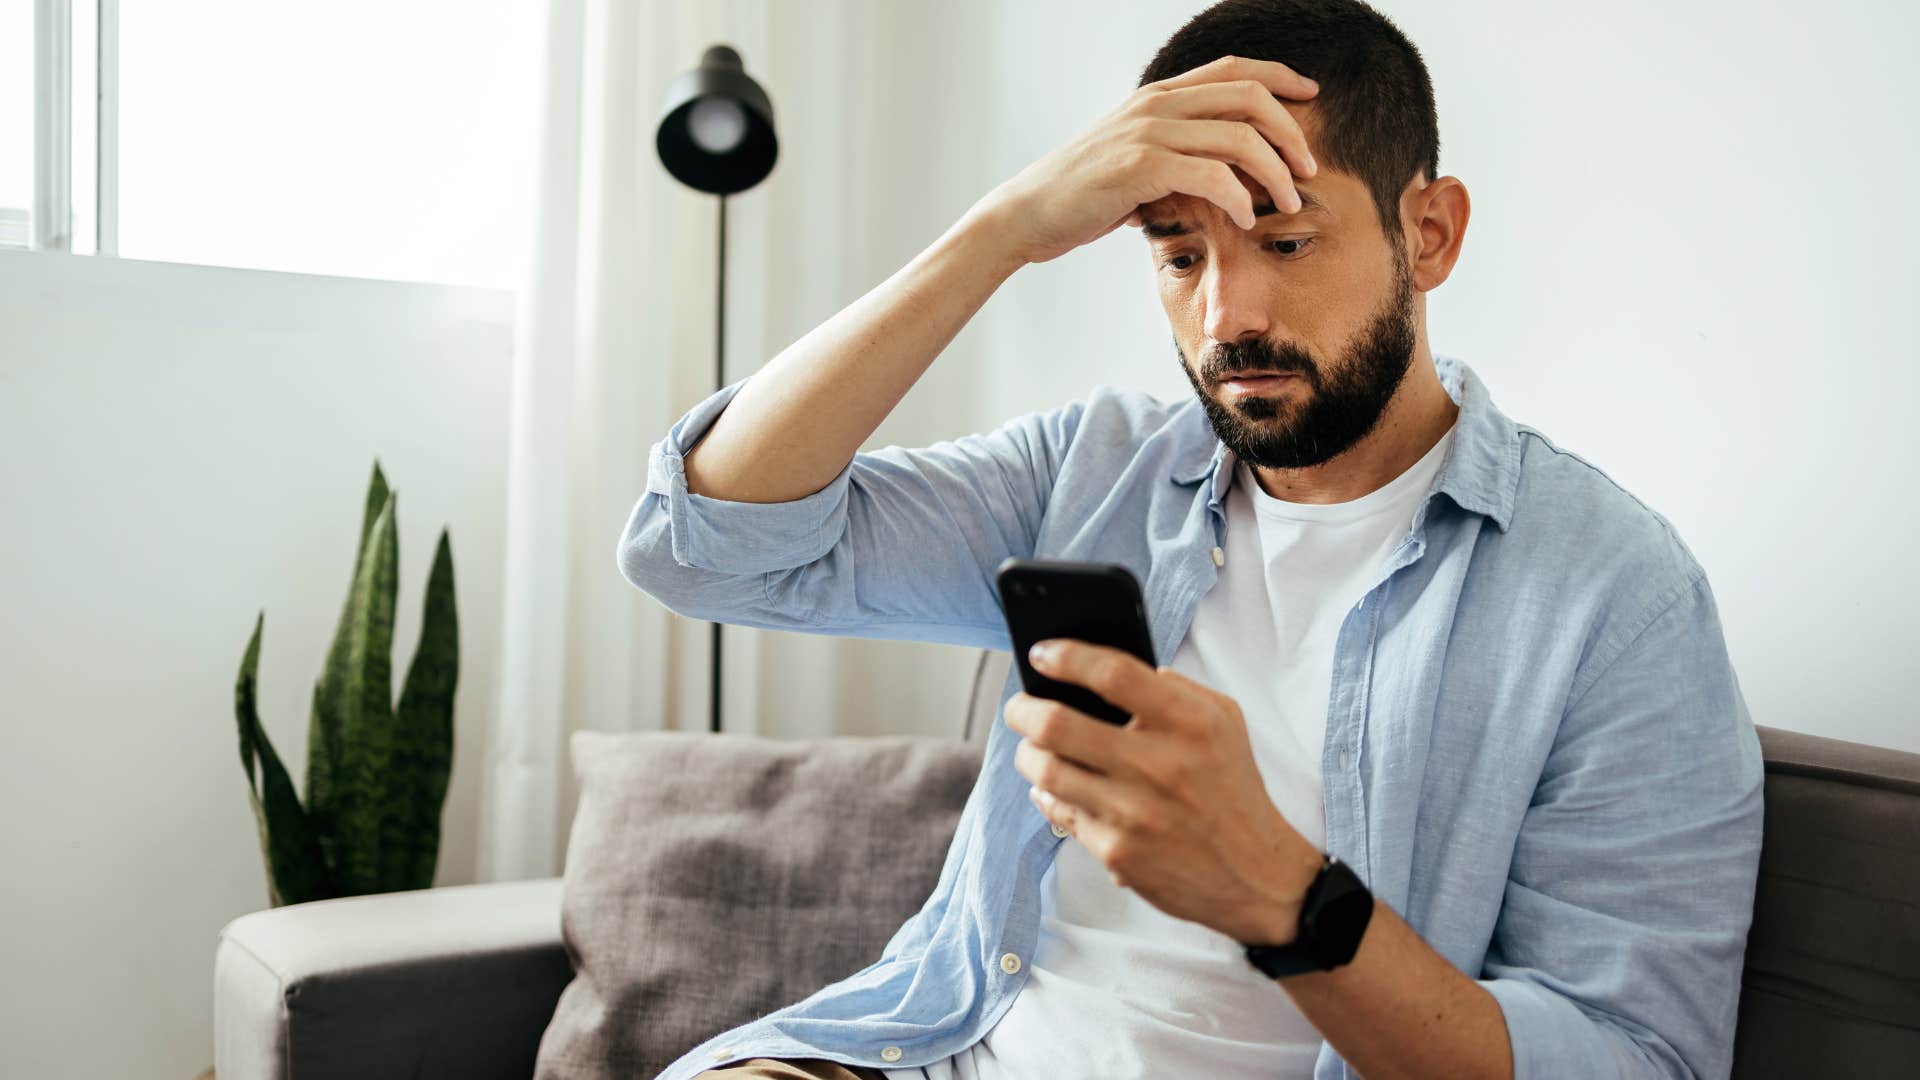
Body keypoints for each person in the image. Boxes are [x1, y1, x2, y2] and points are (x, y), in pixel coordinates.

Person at [620, 1, 1763, 1077]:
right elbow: (708, 542)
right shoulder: (1097, 471)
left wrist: (1281, 894)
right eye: (1178, 254)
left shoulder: (1616, 597)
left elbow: (1636, 1055)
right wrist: (1004, 231)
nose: (1227, 315)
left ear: (1430, 233)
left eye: (1287, 241)